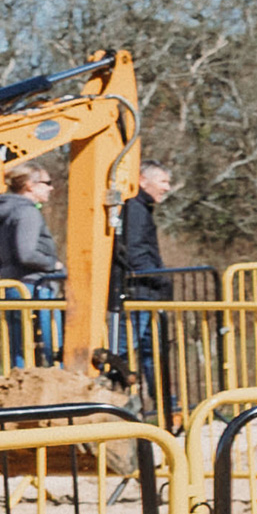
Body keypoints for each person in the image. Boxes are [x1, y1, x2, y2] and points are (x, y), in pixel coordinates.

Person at [0, 162, 63, 369]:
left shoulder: (4, 213)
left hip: (13, 287)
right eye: (46, 183)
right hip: (37, 288)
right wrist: (53, 264)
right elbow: (26, 254)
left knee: (20, 348)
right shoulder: (28, 213)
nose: (51, 187)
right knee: (52, 348)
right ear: (29, 186)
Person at [110, 163, 177, 406]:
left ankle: (167, 406)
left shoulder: (140, 208)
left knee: (154, 351)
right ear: (142, 181)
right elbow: (136, 252)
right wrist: (160, 279)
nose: (167, 188)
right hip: (139, 291)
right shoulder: (135, 210)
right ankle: (118, 400)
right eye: (163, 181)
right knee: (129, 348)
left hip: (147, 290)